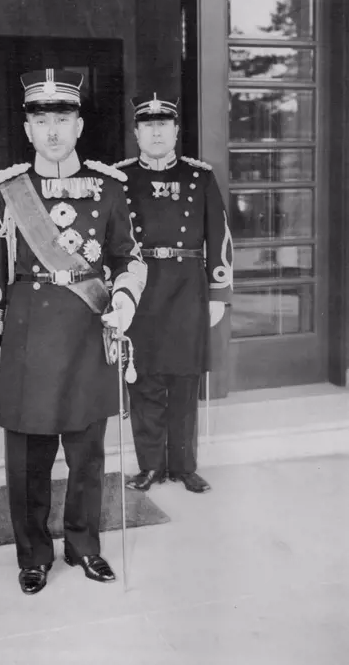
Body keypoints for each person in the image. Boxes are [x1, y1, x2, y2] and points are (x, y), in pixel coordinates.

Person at [0, 69, 146, 596]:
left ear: (79, 126)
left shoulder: (111, 188)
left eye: (62, 120)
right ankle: (33, 554)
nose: (52, 131)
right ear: (28, 130)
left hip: (87, 333)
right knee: (27, 457)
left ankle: (83, 545)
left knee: (87, 452)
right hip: (27, 332)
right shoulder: (8, 192)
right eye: (41, 121)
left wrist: (121, 299)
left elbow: (129, 258)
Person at [114, 93, 233, 494]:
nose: (156, 132)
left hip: (186, 287)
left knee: (184, 379)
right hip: (140, 285)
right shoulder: (120, 178)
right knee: (143, 377)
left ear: (177, 131)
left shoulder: (199, 176)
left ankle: (184, 466)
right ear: (136, 132)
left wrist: (219, 291)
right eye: (148, 125)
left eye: (164, 125)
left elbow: (219, 234)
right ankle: (150, 466)